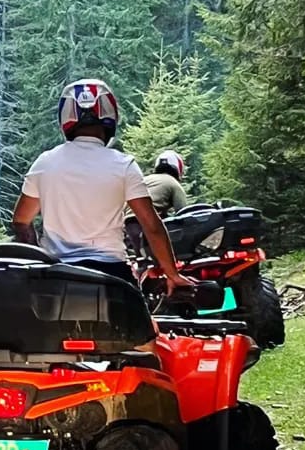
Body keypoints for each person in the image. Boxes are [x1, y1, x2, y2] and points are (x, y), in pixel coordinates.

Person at [11, 79, 196, 294]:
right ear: (110, 115)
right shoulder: (124, 165)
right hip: (111, 276)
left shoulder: (45, 163)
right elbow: (152, 225)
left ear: (66, 118)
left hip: (56, 275)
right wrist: (173, 274)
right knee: (139, 326)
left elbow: (21, 221)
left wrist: (39, 259)